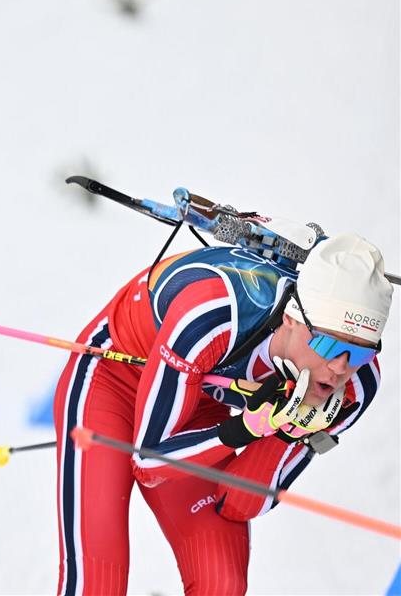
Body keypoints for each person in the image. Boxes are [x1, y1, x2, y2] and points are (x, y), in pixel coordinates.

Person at [53, 233, 392, 595]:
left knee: (222, 585)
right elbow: (148, 463)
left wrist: (287, 430)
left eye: (360, 352)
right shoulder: (213, 314)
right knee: (97, 581)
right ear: (292, 319)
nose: (340, 368)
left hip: (197, 406)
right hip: (112, 380)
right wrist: (244, 428)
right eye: (327, 344)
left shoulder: (355, 387)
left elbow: (237, 503)